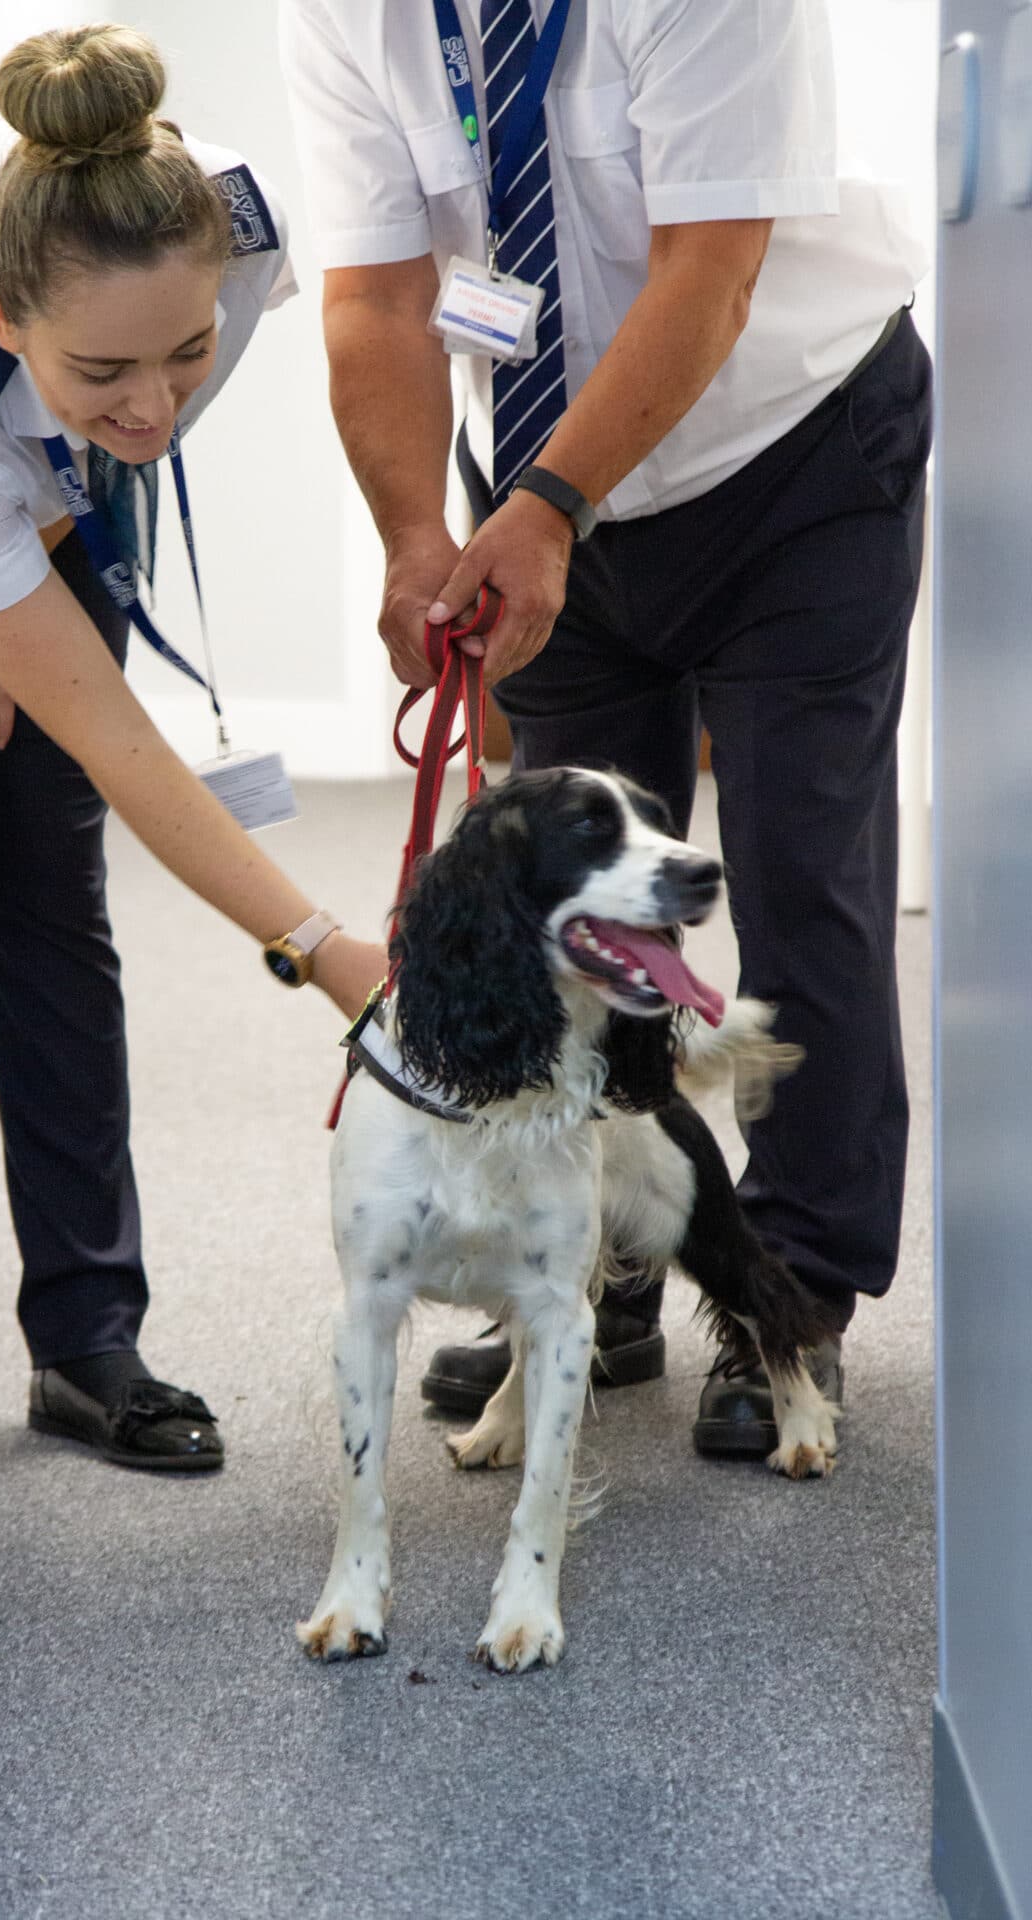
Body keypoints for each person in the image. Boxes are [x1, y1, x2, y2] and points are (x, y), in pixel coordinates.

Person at [280, 0, 932, 1454]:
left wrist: (548, 509)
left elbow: (715, 267)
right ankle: (601, 1263)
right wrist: (409, 534)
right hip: (542, 473)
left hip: (792, 452)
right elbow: (377, 296)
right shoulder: (345, 14)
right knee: (569, 905)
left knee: (797, 869)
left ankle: (792, 1297)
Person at [0, 23, 385, 1510]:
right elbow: (118, 730)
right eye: (111, 364)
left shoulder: (226, 231)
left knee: (49, 869)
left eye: (189, 350)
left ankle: (89, 1343)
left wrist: (16, 561)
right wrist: (323, 947)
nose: (162, 402)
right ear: (6, 310)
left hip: (9, 467)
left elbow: (118, 436)